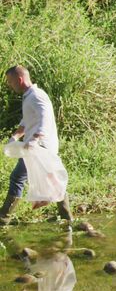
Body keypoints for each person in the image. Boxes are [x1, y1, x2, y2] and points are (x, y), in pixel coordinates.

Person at [2, 66, 72, 225]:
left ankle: (3, 218)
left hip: (39, 146)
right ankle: (67, 216)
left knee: (17, 178)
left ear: (19, 79)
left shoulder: (36, 96)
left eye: (11, 82)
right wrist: (15, 136)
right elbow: (27, 121)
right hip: (37, 145)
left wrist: (34, 139)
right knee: (52, 179)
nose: (10, 85)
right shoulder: (29, 96)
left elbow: (44, 118)